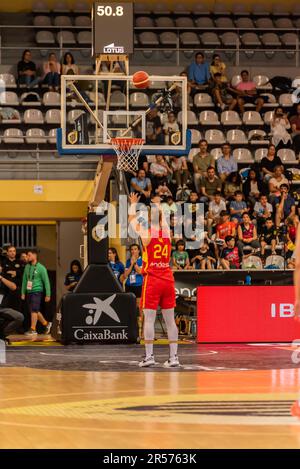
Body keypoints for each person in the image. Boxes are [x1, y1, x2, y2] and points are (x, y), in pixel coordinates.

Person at [128, 193, 180, 367]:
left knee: (148, 319)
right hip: (168, 279)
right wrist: (158, 206)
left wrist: (133, 204)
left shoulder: (146, 233)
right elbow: (163, 219)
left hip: (153, 279)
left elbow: (131, 220)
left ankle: (149, 357)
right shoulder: (167, 233)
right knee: (170, 321)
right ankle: (174, 358)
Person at [21, 249, 51, 336]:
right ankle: (46, 324)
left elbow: (46, 282)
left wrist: (48, 294)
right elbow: (24, 280)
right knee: (34, 310)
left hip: (37, 291)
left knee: (34, 310)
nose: (27, 257)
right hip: (29, 291)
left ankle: (33, 329)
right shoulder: (27, 267)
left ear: (35, 256)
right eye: (27, 255)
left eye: (29, 255)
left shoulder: (41, 268)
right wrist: (23, 292)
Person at [121, 244, 143, 337]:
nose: (133, 251)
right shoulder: (127, 261)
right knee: (131, 308)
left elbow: (140, 272)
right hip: (129, 286)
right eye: (132, 249)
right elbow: (125, 275)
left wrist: (134, 263)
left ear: (138, 251)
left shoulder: (143, 260)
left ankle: (142, 332)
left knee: (140, 308)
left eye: (135, 249)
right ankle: (132, 330)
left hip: (139, 286)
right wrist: (131, 264)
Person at [0, 266, 24, 344]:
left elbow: (13, 287)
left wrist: (1, 278)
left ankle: (2, 335)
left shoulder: (4, 277)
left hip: (3, 308)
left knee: (19, 317)